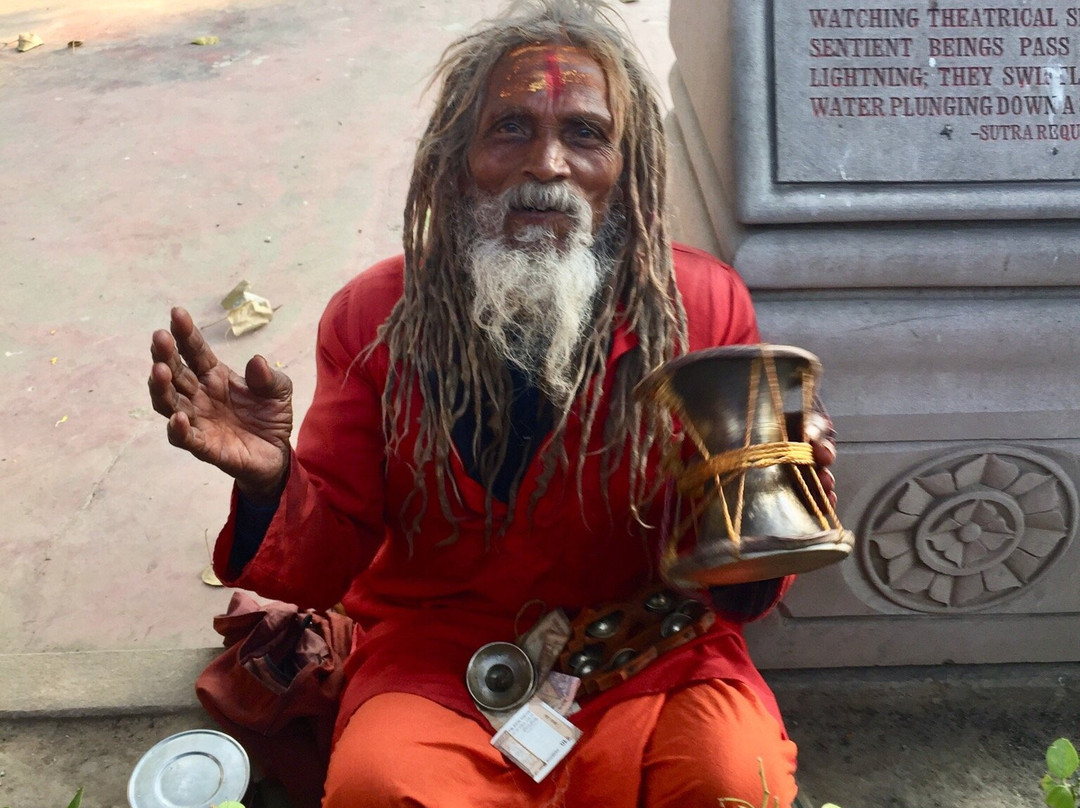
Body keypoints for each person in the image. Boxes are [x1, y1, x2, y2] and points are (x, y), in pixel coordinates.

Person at [148, 1, 837, 805]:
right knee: (377, 789)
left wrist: (780, 492)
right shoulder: (373, 319)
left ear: (631, 164)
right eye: (510, 128)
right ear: (453, 159)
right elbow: (329, 556)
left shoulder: (702, 307)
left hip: (648, 649)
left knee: (733, 783)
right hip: (439, 653)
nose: (547, 164)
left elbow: (738, 579)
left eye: (584, 133)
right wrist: (274, 481)